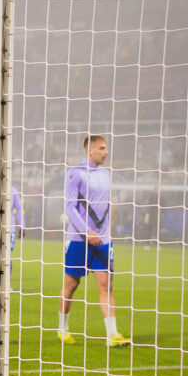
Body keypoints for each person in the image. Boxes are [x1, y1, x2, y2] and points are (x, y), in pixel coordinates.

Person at [57, 135, 130, 347]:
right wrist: (87, 232)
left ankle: (112, 335)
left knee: (106, 285)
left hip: (103, 241)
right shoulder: (76, 173)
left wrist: (105, 232)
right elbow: (70, 207)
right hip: (78, 239)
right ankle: (62, 329)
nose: (106, 152)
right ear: (90, 151)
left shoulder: (106, 175)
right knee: (71, 284)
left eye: (106, 148)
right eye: (102, 148)